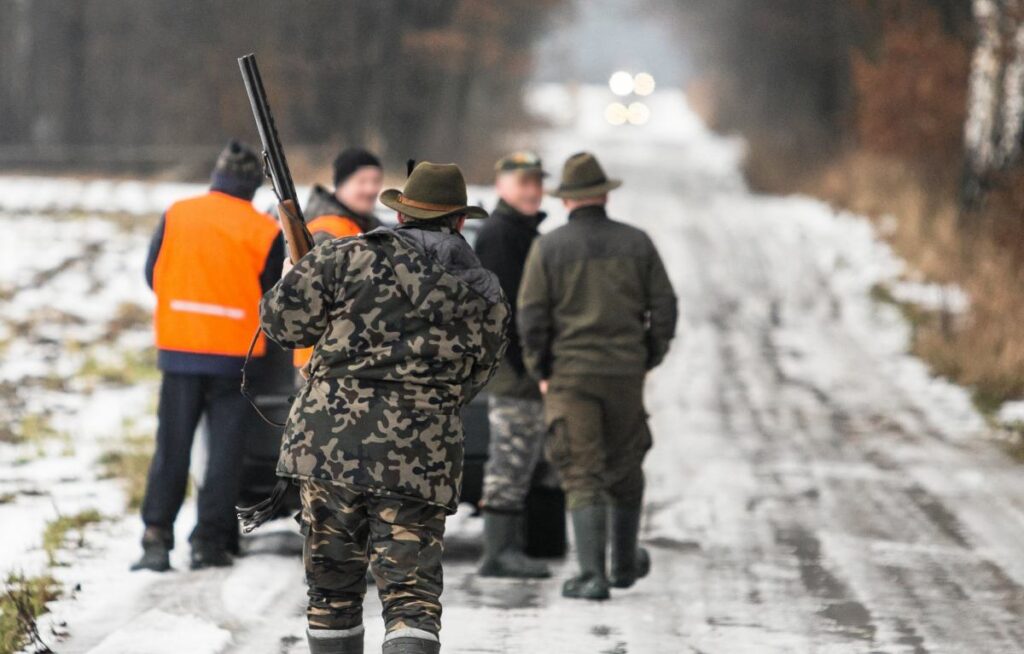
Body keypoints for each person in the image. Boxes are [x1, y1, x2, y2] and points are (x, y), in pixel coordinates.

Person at [258, 162, 508, 654]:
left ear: (399, 216)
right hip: (420, 458)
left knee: (331, 592)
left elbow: (282, 327)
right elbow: (473, 380)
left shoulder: (345, 256)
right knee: (411, 600)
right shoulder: (486, 292)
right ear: (459, 222)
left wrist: (292, 276)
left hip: (327, 451)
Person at [518, 152, 677, 600]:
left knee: (581, 470)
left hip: (571, 377)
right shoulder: (638, 243)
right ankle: (624, 565)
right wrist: (648, 356)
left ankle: (592, 576)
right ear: (604, 195)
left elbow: (531, 317)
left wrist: (541, 369)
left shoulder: (548, 248)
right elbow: (665, 306)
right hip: (624, 374)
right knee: (626, 467)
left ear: (567, 201)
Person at [132, 140, 285, 572]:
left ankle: (156, 538)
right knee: (224, 455)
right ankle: (209, 543)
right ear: (253, 185)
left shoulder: (177, 213)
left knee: (171, 447)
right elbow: (273, 295)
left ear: (216, 176)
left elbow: (152, 274)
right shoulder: (264, 230)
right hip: (234, 360)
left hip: (180, 352)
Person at [472, 151, 552, 578]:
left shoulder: (522, 231)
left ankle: (509, 546)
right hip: (515, 368)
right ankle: (497, 553)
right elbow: (507, 310)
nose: (532, 190)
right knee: (510, 457)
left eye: (537, 182)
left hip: (521, 365)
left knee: (522, 458)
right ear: (502, 185)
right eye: (523, 182)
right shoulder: (502, 233)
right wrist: (530, 368)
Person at [293, 147, 384, 370]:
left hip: (350, 355)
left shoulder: (364, 227)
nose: (371, 189)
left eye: (376, 180)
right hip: (324, 359)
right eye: (362, 181)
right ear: (341, 184)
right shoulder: (327, 231)